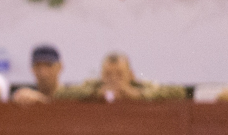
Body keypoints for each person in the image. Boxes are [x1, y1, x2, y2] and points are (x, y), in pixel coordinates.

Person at [54, 52, 185, 101]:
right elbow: (59, 94)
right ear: (101, 75)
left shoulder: (140, 86)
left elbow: (179, 91)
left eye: (119, 74)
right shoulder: (94, 85)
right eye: (108, 74)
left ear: (131, 75)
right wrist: (95, 94)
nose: (113, 79)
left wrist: (139, 95)